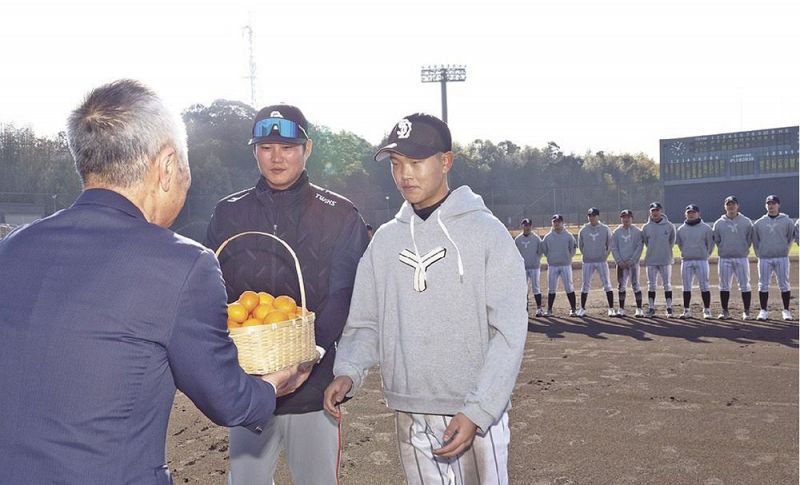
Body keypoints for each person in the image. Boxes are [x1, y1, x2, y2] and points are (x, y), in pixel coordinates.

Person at [0, 79, 313, 484]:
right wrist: (276, 385)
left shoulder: (14, 247)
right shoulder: (181, 264)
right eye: (185, 166)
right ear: (167, 166)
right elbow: (230, 401)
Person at [323, 113, 527, 485]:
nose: (405, 175)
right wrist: (349, 370)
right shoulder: (385, 241)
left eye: (416, 162)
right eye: (397, 164)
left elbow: (509, 331)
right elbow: (367, 319)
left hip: (474, 409)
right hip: (410, 407)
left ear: (445, 162)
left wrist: (479, 410)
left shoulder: (487, 233)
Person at [204, 104, 369, 484]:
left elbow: (343, 294)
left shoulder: (340, 213)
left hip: (313, 389)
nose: (276, 157)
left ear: (307, 149)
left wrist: (307, 359)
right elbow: (215, 294)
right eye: (266, 147)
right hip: (250, 385)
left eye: (287, 147)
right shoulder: (228, 213)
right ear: (254, 152)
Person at [752, 195, 795, 321]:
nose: (771, 206)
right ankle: (763, 310)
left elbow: (790, 237)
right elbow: (756, 240)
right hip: (765, 258)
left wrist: (785, 249)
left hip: (781, 257)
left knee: (784, 284)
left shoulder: (787, 221)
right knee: (763, 284)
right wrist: (759, 254)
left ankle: (786, 310)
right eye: (769, 203)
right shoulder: (759, 223)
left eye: (774, 203)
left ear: (778, 205)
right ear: (766, 205)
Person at [712, 195, 754, 320]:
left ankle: (746, 311)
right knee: (724, 285)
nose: (731, 206)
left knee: (745, 285)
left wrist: (742, 249)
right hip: (725, 258)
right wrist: (725, 249)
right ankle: (725, 311)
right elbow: (717, 240)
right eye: (728, 204)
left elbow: (749, 239)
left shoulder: (746, 222)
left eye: (733, 204)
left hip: (741, 258)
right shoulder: (719, 223)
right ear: (725, 206)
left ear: (737, 206)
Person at [675, 204, 715, 319]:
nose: (691, 214)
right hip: (686, 261)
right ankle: (686, 310)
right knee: (686, 286)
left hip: (701, 260)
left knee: (704, 286)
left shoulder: (706, 228)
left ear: (698, 214)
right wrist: (687, 253)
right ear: (685, 214)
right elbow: (680, 245)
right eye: (689, 212)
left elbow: (710, 245)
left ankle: (707, 310)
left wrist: (704, 255)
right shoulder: (681, 229)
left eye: (693, 212)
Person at [577, 207, 615, 317]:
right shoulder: (583, 230)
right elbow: (580, 245)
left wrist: (604, 255)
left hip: (601, 261)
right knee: (585, 285)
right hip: (588, 261)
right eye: (590, 215)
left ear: (598, 216)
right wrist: (586, 254)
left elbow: (610, 244)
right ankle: (582, 308)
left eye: (594, 215)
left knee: (607, 284)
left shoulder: (605, 229)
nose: (591, 217)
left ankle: (611, 308)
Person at [642, 202, 676, 318]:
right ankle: (651, 308)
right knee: (651, 285)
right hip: (651, 259)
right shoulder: (646, 227)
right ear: (650, 213)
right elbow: (646, 242)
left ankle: (669, 308)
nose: (655, 213)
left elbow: (671, 241)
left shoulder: (669, 226)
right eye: (652, 211)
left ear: (661, 211)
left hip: (665, 259)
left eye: (657, 210)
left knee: (667, 284)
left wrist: (664, 251)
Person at [542, 214, 579, 316]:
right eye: (554, 222)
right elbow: (545, 250)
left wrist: (567, 257)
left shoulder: (568, 236)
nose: (556, 223)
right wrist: (551, 257)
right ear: (552, 223)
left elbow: (573, 249)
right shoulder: (548, 237)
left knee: (569, 287)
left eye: (558, 221)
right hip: (552, 265)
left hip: (565, 265)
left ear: (562, 223)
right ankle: (549, 310)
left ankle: (573, 309)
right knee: (552, 288)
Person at [610, 209, 645, 317]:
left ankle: (639, 309)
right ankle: (621, 309)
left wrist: (632, 260)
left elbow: (639, 247)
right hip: (621, 264)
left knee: (635, 285)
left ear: (632, 218)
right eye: (624, 217)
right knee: (621, 285)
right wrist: (619, 261)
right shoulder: (616, 232)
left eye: (628, 217)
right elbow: (614, 248)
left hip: (633, 264)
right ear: (621, 218)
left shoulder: (637, 232)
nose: (626, 219)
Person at [515, 217, 544, 316]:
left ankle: (539, 309)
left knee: (536, 287)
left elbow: (540, 252)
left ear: (531, 226)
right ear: (522, 226)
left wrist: (535, 260)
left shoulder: (536, 239)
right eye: (525, 225)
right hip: (523, 268)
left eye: (528, 225)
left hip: (534, 267)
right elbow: (516, 254)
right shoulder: (518, 240)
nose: (527, 227)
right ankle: (524, 309)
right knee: (523, 288)